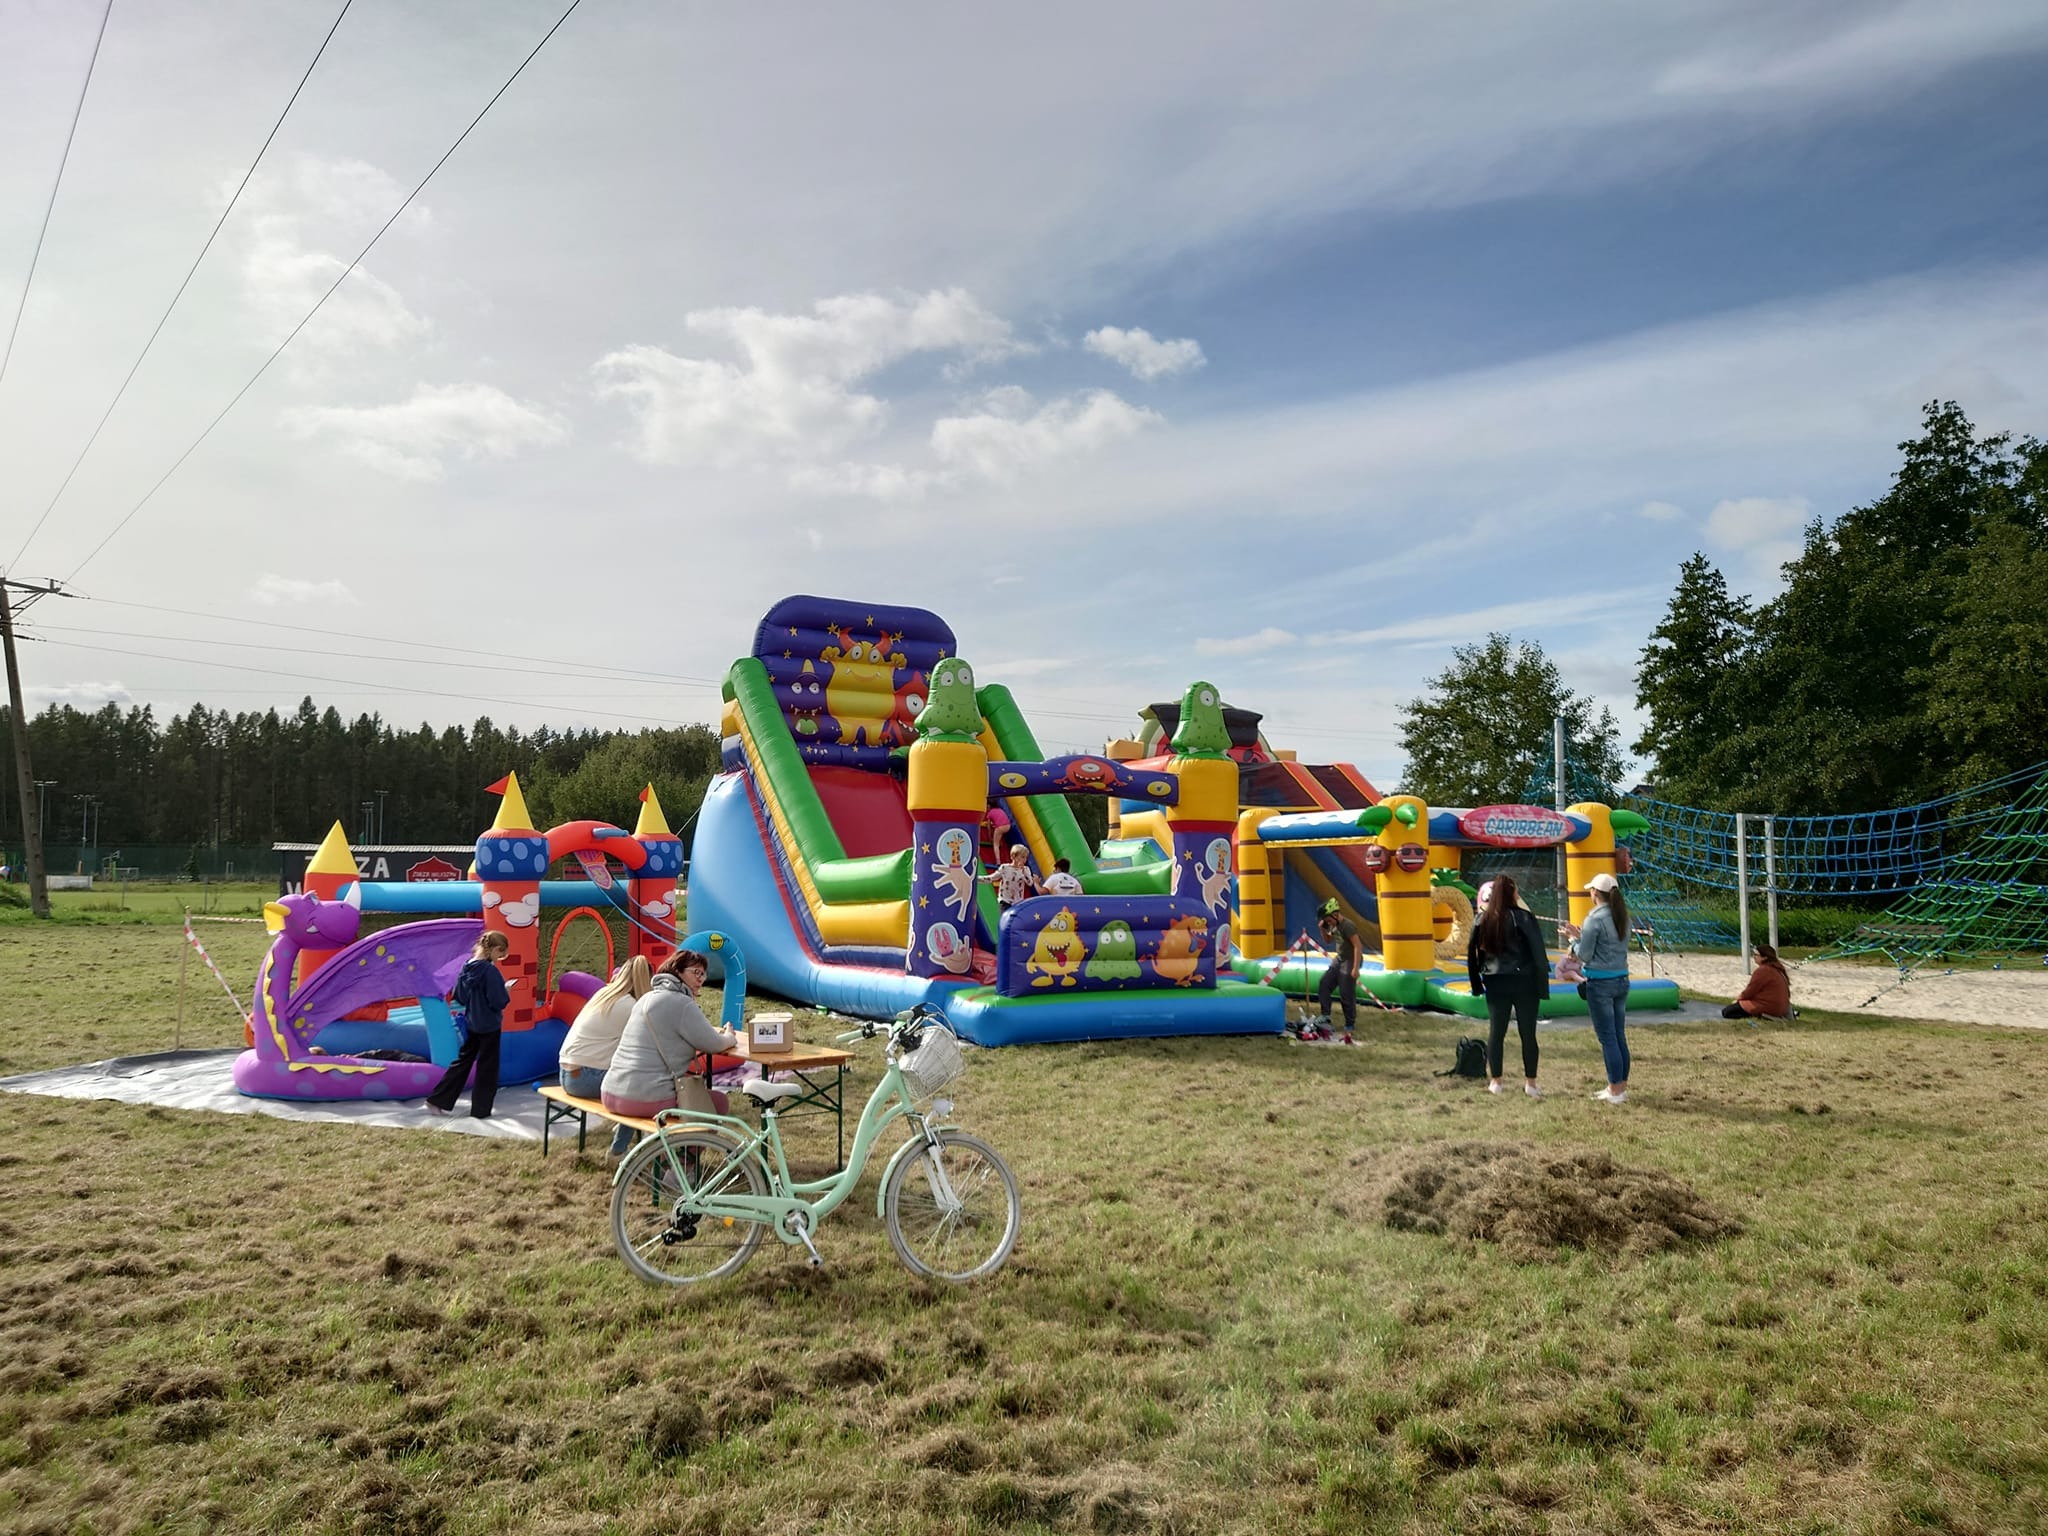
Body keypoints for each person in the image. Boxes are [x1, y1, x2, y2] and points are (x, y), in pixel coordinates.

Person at [602, 949, 739, 1127]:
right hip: (643, 1098)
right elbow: (715, 1044)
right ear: (677, 971)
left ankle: (664, 1151)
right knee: (718, 1102)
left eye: (703, 974)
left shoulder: (646, 998)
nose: (701, 979)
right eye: (695, 972)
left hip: (610, 1091)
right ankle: (683, 1155)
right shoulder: (681, 1003)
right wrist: (730, 1036)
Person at [557, 955, 654, 1155]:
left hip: (567, 1073)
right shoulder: (629, 1005)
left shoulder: (605, 993)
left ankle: (624, 1134)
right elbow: (651, 1038)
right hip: (584, 1077)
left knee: (635, 1080)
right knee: (640, 1088)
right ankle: (619, 1149)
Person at [1466, 875, 1549, 1098]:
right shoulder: (1524, 918)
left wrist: (1476, 984)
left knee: (1497, 1031)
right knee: (1528, 1033)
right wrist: (1543, 985)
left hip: (1495, 981)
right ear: (1512, 893)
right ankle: (1530, 1083)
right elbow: (1538, 954)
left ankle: (1496, 1081)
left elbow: (1472, 955)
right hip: (1525, 981)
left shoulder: (1483, 919)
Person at [425, 931, 515, 1118]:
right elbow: (498, 1001)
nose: (499, 960)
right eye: (500, 955)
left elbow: (460, 996)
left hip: (473, 1023)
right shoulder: (490, 971)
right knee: (487, 1069)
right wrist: (505, 990)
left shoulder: (467, 967)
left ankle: (437, 1100)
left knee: (462, 1063)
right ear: (496, 949)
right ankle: (481, 1110)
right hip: (489, 1025)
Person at [1571, 871, 1632, 1104]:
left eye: (1591, 890)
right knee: (1618, 1035)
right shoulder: (1622, 917)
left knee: (1607, 1038)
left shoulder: (1594, 919)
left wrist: (1573, 940)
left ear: (1595, 893)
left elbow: (1584, 954)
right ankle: (1619, 1086)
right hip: (1621, 979)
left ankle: (1615, 1091)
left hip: (1600, 982)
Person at [1311, 898, 1361, 1044]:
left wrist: (1355, 968)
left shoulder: (1348, 926)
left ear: (1334, 915)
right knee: (1324, 983)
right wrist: (1322, 928)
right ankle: (1325, 1016)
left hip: (1351, 959)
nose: (1328, 922)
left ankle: (1350, 1023)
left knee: (1346, 992)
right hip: (1340, 958)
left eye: (1327, 919)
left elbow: (1358, 946)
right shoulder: (1333, 925)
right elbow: (1328, 940)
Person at [1722, 943, 1792, 1020]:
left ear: (1764, 957)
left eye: (1756, 955)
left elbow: (1751, 990)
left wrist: (1739, 999)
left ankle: (1762, 1016)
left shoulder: (1763, 970)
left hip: (1769, 1007)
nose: (1754, 956)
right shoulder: (1777, 969)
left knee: (1727, 1012)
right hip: (1781, 1008)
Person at [981, 844, 1040, 912]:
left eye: (1026, 858)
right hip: (1005, 901)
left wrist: (1023, 871)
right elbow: (992, 878)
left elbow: (1030, 883)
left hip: (1017, 902)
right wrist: (978, 879)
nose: (1024, 860)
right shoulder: (1005, 868)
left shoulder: (1026, 869)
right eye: (1022, 857)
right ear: (1014, 856)